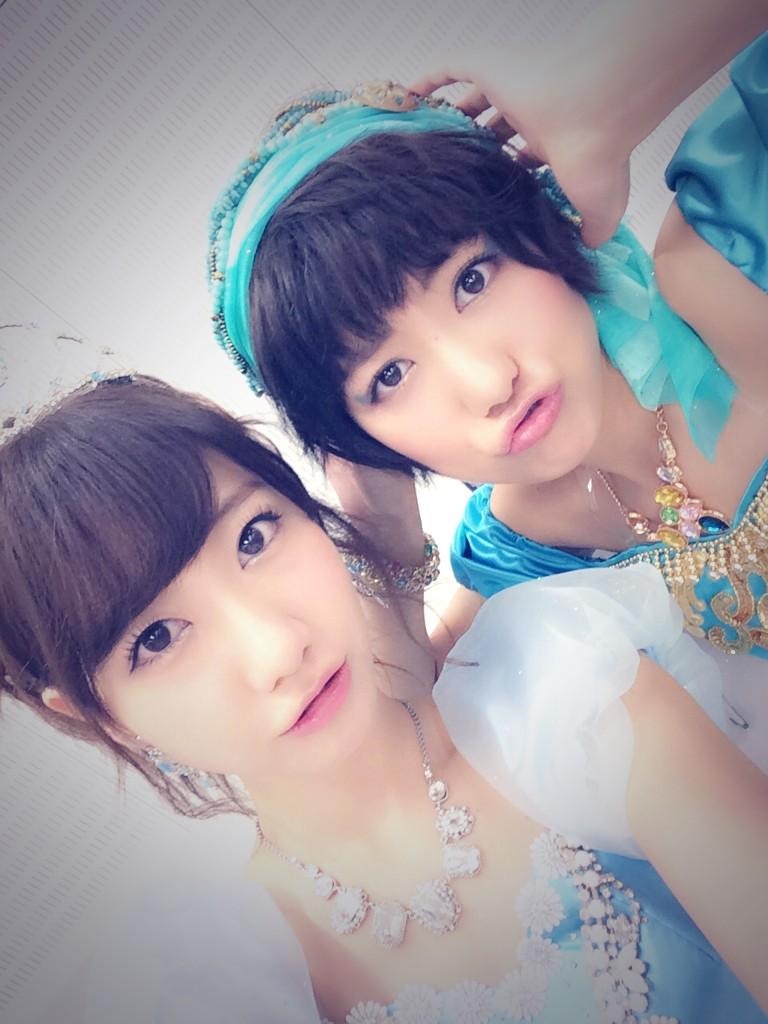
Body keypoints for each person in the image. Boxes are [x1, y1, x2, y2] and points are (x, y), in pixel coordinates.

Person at [2, 373, 767, 1023]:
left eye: (254, 537)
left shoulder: (562, 690)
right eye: (157, 638)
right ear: (101, 718)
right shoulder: (214, 978)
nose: (277, 652)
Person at [206, 14, 768, 762]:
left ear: (539, 222)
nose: (489, 383)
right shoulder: (524, 542)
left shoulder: (730, 263)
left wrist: (600, 100)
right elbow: (413, 741)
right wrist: (384, 534)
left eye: (472, 279)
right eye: (389, 376)